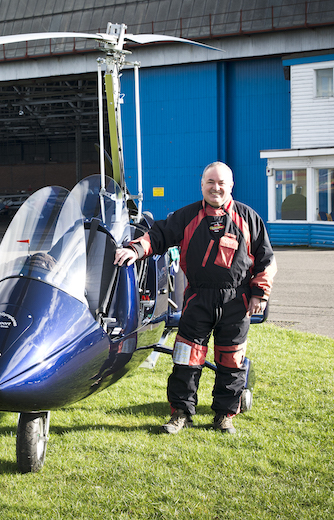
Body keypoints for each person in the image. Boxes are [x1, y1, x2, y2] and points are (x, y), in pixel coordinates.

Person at [114, 162, 276, 434]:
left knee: (231, 361)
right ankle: (181, 414)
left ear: (231, 185)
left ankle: (224, 416)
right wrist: (136, 250)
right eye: (210, 182)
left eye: (221, 182)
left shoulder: (248, 218)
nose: (216, 187)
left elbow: (266, 260)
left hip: (237, 301)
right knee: (186, 359)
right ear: (202, 185)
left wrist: (259, 294)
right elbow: (158, 235)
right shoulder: (187, 216)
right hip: (198, 299)